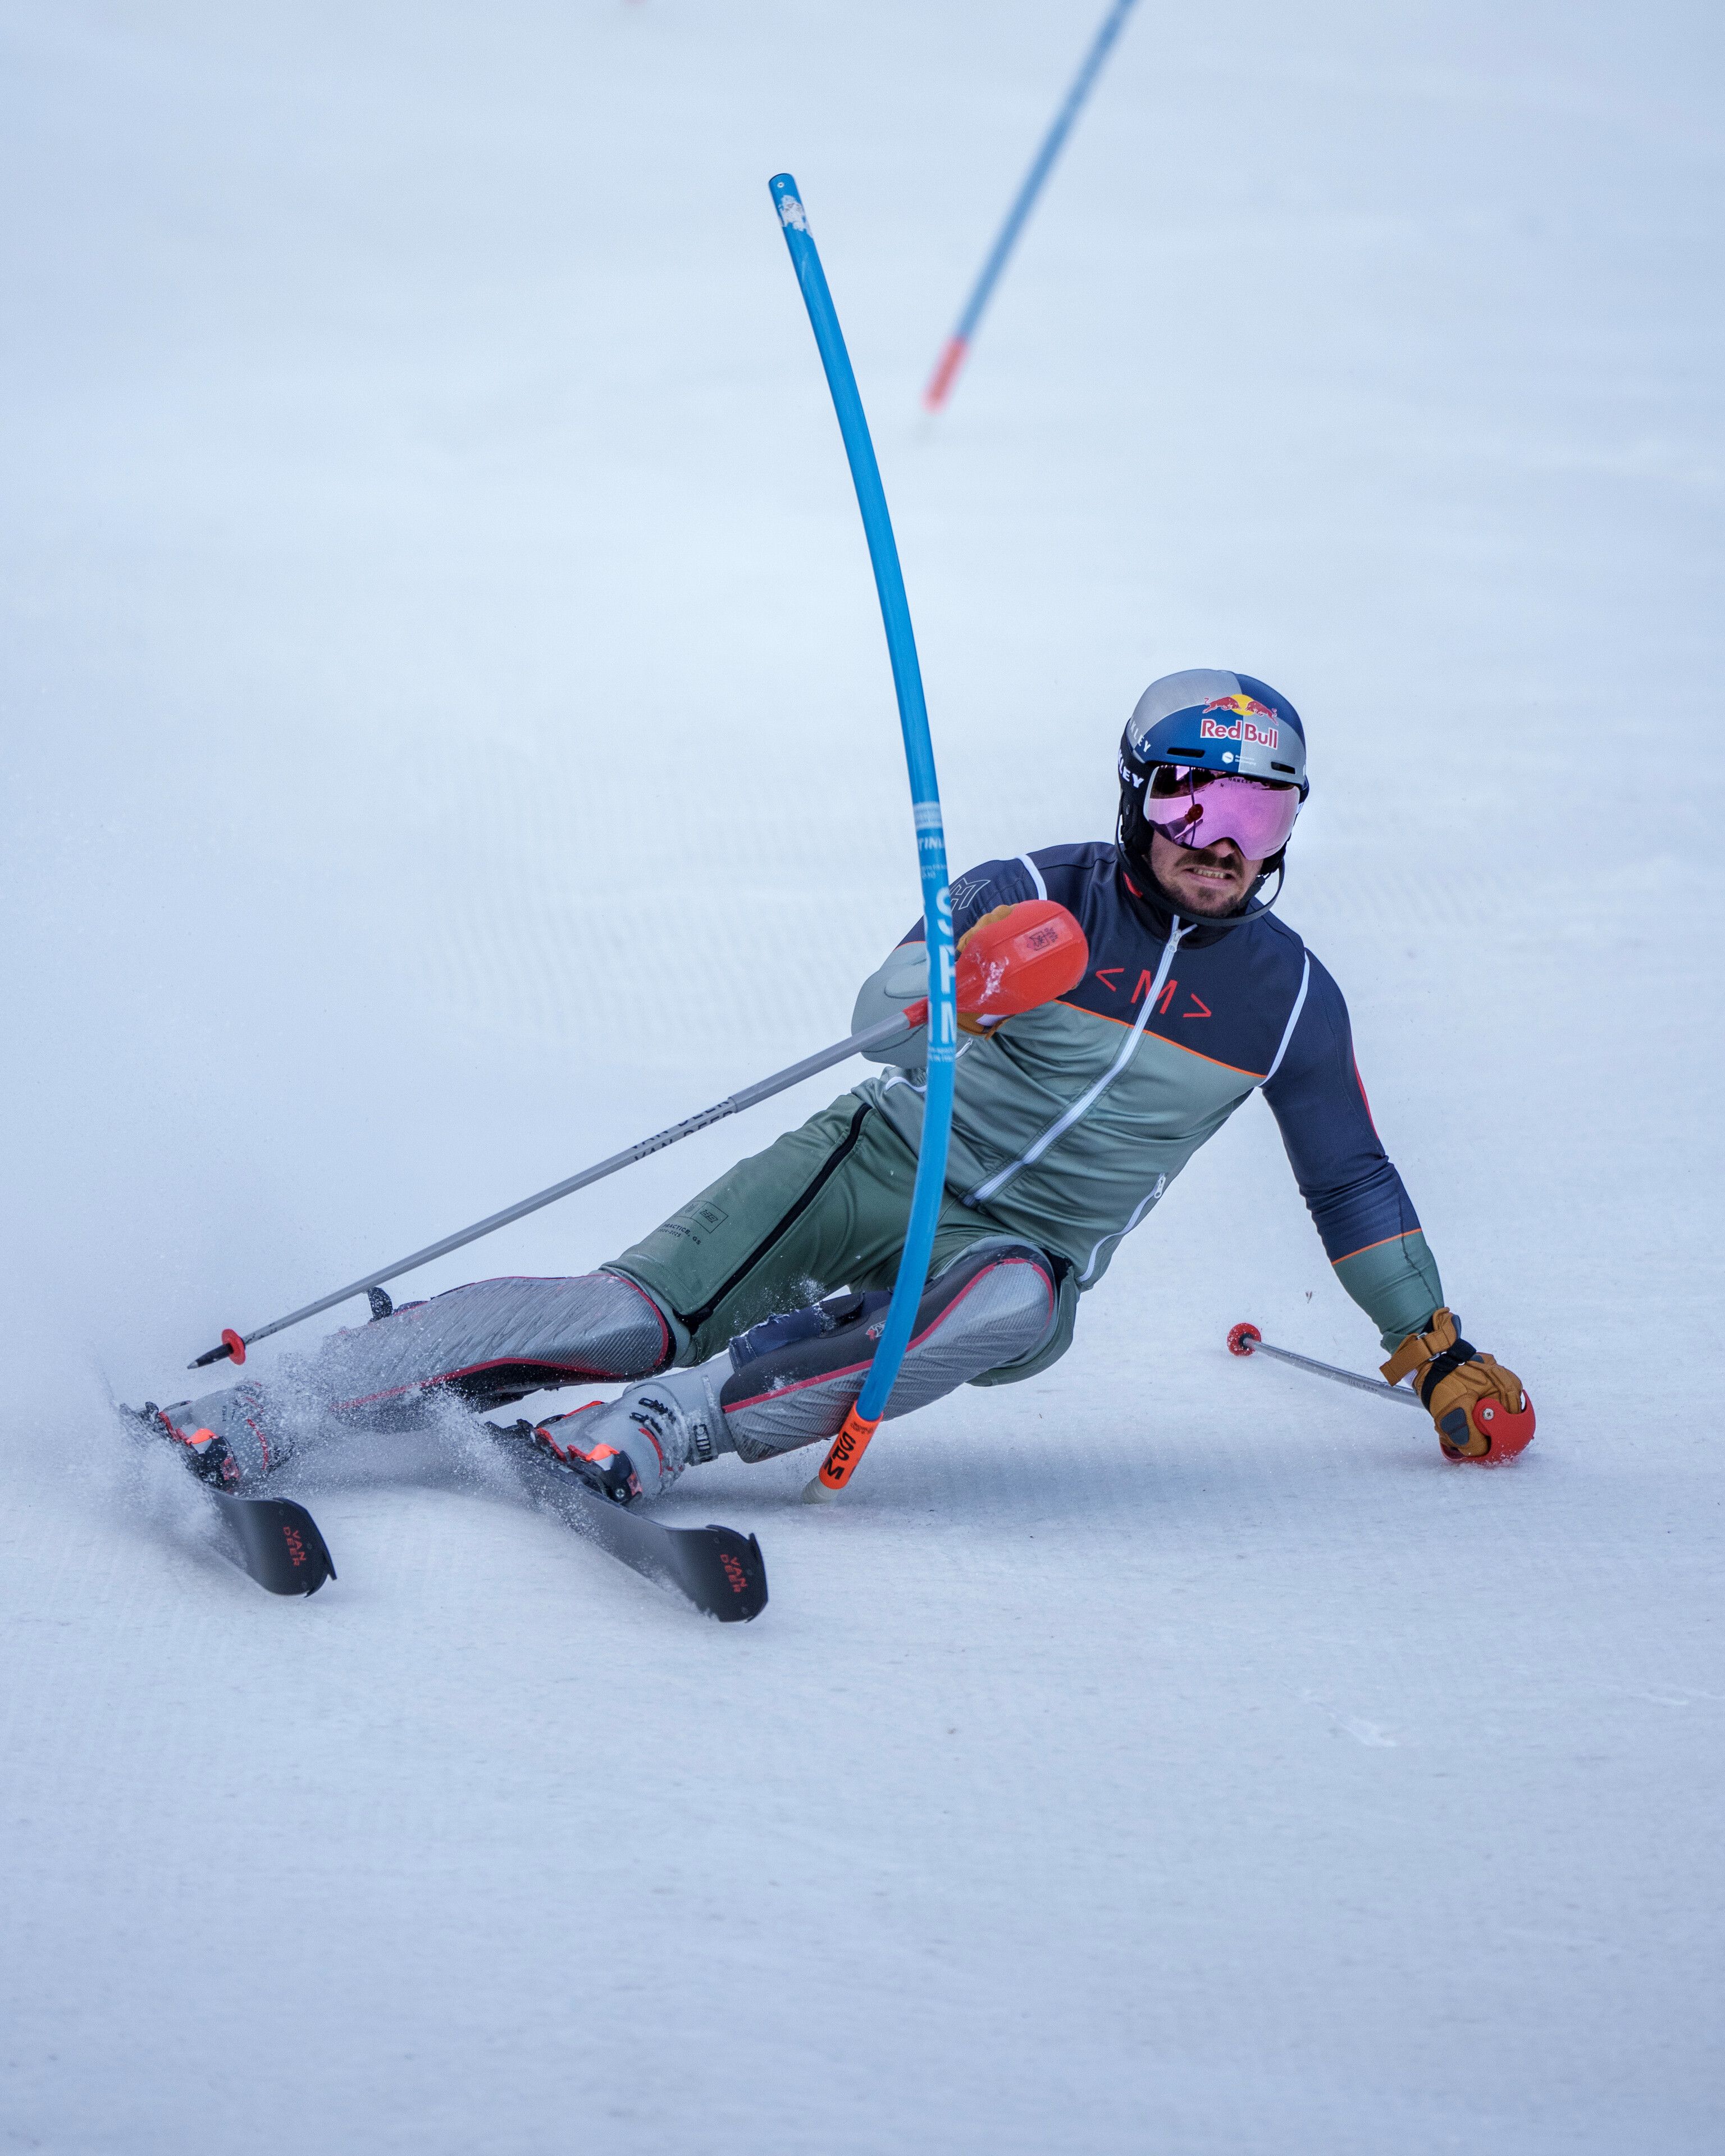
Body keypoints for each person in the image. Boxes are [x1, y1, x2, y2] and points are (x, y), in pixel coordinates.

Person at [138, 669, 1532, 1504]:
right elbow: (877, 1018)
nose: (1220, 843)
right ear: (1135, 794)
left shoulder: (1291, 998)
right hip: (874, 1161)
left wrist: (1435, 1350)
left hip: (1018, 1247)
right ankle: (287, 1401)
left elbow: (1351, 1178)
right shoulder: (1035, 888)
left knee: (1011, 1303)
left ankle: (663, 1432)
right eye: (1191, 799)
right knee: (629, 1318)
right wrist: (963, 986)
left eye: (1260, 812)